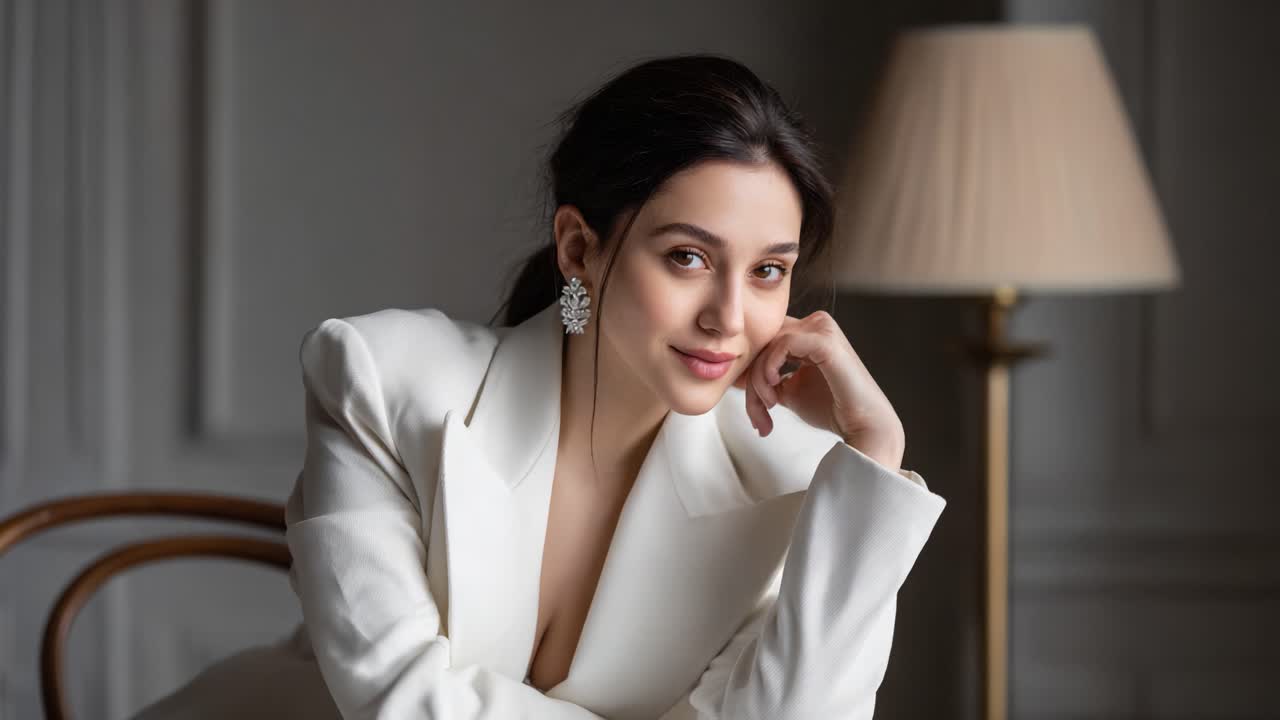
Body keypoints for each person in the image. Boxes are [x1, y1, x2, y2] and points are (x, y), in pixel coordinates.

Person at [131, 53, 946, 720]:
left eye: (769, 271)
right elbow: (402, 702)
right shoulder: (384, 382)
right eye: (688, 257)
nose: (729, 318)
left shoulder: (789, 481)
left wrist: (876, 454)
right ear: (578, 246)